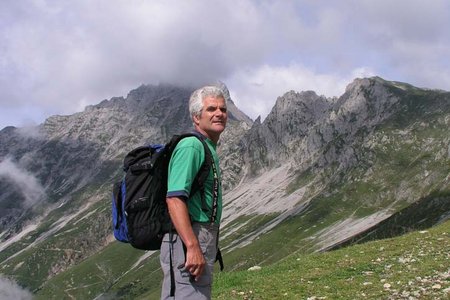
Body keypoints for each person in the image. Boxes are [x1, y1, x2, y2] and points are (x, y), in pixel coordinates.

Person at [160, 84, 228, 299]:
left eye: (223, 109)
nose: (219, 113)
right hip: (189, 237)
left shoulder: (206, 147)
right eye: (211, 109)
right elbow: (174, 199)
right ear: (196, 117)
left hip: (198, 235)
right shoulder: (192, 146)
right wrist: (192, 246)